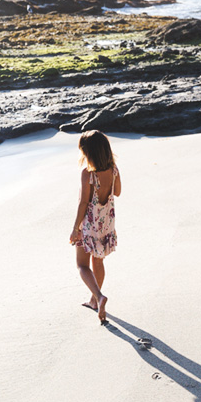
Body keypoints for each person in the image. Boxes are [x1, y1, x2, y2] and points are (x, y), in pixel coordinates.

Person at [69, 130, 122, 324]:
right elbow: (117, 192)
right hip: (106, 223)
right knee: (98, 262)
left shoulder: (87, 174)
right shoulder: (113, 169)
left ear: (88, 153)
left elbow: (83, 203)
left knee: (82, 265)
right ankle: (94, 299)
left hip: (89, 225)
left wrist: (76, 229)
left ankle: (99, 297)